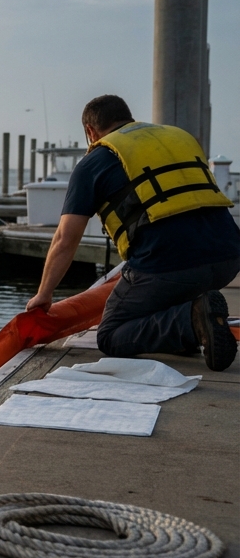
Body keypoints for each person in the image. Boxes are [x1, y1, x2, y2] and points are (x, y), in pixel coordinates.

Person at [26, 94, 240, 371]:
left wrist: (43, 294)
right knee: (172, 291)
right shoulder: (179, 138)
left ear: (90, 132)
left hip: (168, 265)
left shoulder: (94, 162)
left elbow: (65, 239)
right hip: (229, 258)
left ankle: (190, 320)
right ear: (128, 118)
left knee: (111, 335)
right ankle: (191, 327)